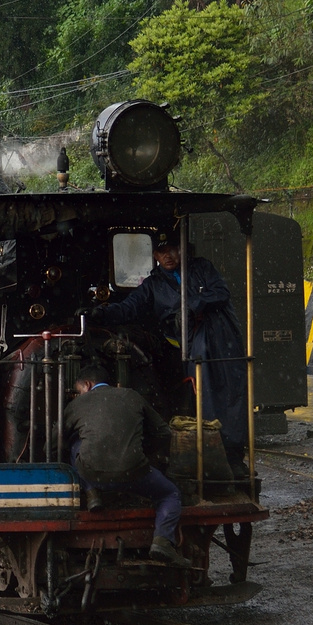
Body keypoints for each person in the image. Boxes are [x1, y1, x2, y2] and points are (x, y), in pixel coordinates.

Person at [89, 237, 249, 476]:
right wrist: (101, 313)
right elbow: (129, 307)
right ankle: (210, 456)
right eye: (161, 252)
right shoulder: (153, 284)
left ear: (180, 249)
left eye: (171, 250)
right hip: (191, 347)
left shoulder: (202, 268)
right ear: (155, 256)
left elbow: (221, 293)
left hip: (223, 343)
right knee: (202, 399)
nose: (167, 256)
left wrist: (194, 305)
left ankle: (235, 457)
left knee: (231, 399)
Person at [62, 366, 190, 568]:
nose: (79, 394)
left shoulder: (77, 404)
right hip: (135, 471)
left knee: (74, 445)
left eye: (79, 390)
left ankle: (91, 493)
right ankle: (162, 542)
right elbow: (164, 433)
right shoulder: (132, 395)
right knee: (170, 494)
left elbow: (55, 442)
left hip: (92, 472)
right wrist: (142, 451)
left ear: (87, 385)